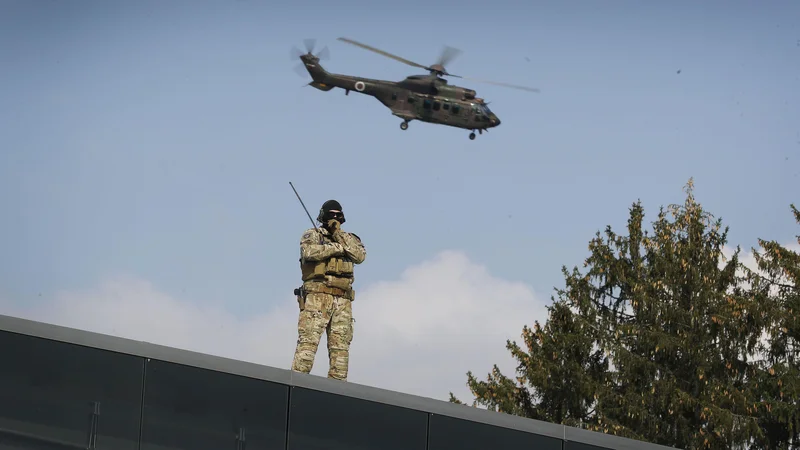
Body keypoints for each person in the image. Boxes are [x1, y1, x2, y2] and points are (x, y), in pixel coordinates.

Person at [291, 199, 366, 381]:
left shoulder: (349, 238)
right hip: (318, 297)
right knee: (307, 349)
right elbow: (309, 253)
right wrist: (336, 248)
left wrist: (339, 235)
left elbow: (359, 256)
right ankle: (295, 388)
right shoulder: (313, 235)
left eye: (338, 215)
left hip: (343, 301)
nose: (334, 218)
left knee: (340, 353)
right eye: (331, 214)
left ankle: (336, 396)